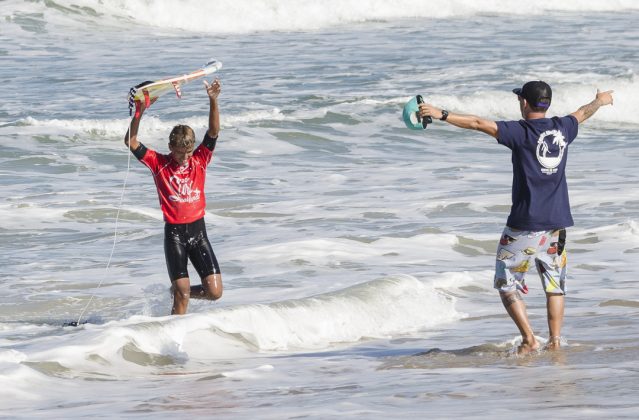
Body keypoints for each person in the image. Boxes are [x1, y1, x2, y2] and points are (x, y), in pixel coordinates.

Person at [418, 81, 614, 354]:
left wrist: (442, 114)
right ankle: (555, 341)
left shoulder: (520, 133)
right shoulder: (563, 128)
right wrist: (601, 101)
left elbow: (477, 123)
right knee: (555, 284)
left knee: (506, 282)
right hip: (557, 225)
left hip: (524, 226)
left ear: (524, 102)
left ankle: (529, 339)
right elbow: (582, 112)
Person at [124, 79, 224, 315]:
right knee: (183, 297)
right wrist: (139, 111)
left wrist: (213, 100)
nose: (184, 158)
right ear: (170, 147)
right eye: (179, 153)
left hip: (199, 233)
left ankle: (178, 292)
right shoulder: (159, 163)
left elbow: (213, 132)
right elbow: (131, 142)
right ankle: (172, 342)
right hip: (175, 235)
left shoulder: (200, 160)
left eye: (187, 153)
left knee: (215, 292)